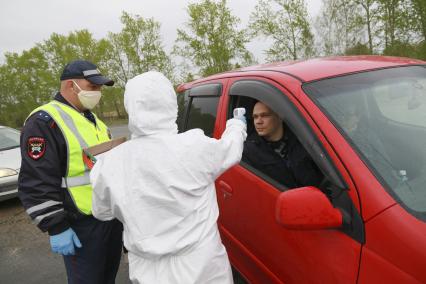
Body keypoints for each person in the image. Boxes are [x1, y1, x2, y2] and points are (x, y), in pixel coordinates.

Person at [90, 71, 247, 284]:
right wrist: (237, 125)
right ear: (171, 105)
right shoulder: (194, 146)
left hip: (148, 272)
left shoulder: (109, 163)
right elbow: (231, 148)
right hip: (203, 266)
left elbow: (102, 213)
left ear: (131, 107)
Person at [18, 60, 123, 284]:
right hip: (80, 226)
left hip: (108, 219)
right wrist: (56, 226)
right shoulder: (45, 122)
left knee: (108, 278)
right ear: (70, 85)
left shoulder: (94, 120)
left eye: (99, 88)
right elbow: (36, 181)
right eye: (92, 87)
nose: (98, 93)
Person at [243, 101, 323, 188]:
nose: (258, 121)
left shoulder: (302, 140)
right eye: (255, 117)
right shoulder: (249, 151)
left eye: (265, 115)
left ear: (280, 117)